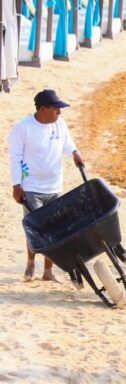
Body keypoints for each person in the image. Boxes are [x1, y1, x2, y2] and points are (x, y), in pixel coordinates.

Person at [8, 89, 85, 282]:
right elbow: (15, 157)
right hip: (31, 188)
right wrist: (16, 185)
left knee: (54, 229)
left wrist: (75, 152)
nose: (59, 112)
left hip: (54, 187)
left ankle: (48, 271)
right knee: (35, 229)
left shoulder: (59, 124)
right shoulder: (23, 128)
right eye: (56, 109)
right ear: (43, 109)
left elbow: (67, 142)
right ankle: (30, 264)